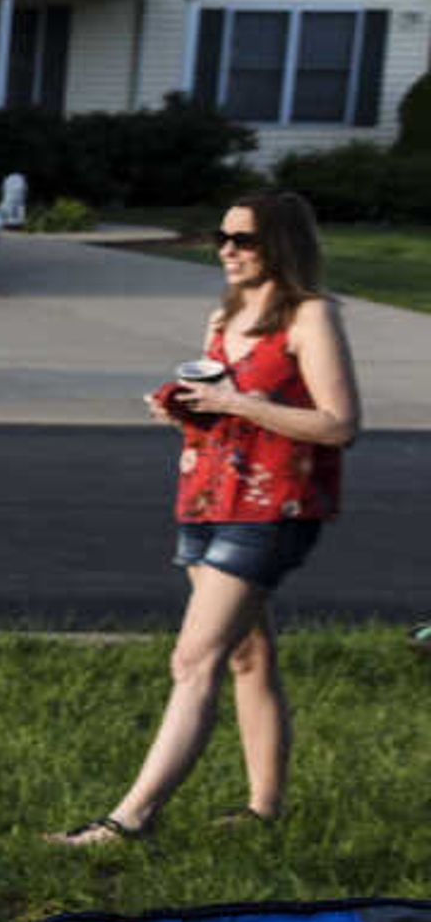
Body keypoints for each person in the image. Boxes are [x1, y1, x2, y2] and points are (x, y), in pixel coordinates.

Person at [53, 191, 360, 845]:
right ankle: (265, 810)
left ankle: (129, 820)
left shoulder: (310, 317)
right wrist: (188, 410)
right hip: (207, 496)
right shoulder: (224, 315)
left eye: (243, 240)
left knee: (194, 659)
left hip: (271, 507)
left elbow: (338, 425)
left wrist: (237, 403)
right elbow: (226, 405)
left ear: (280, 245)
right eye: (222, 237)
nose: (227, 249)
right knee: (249, 653)